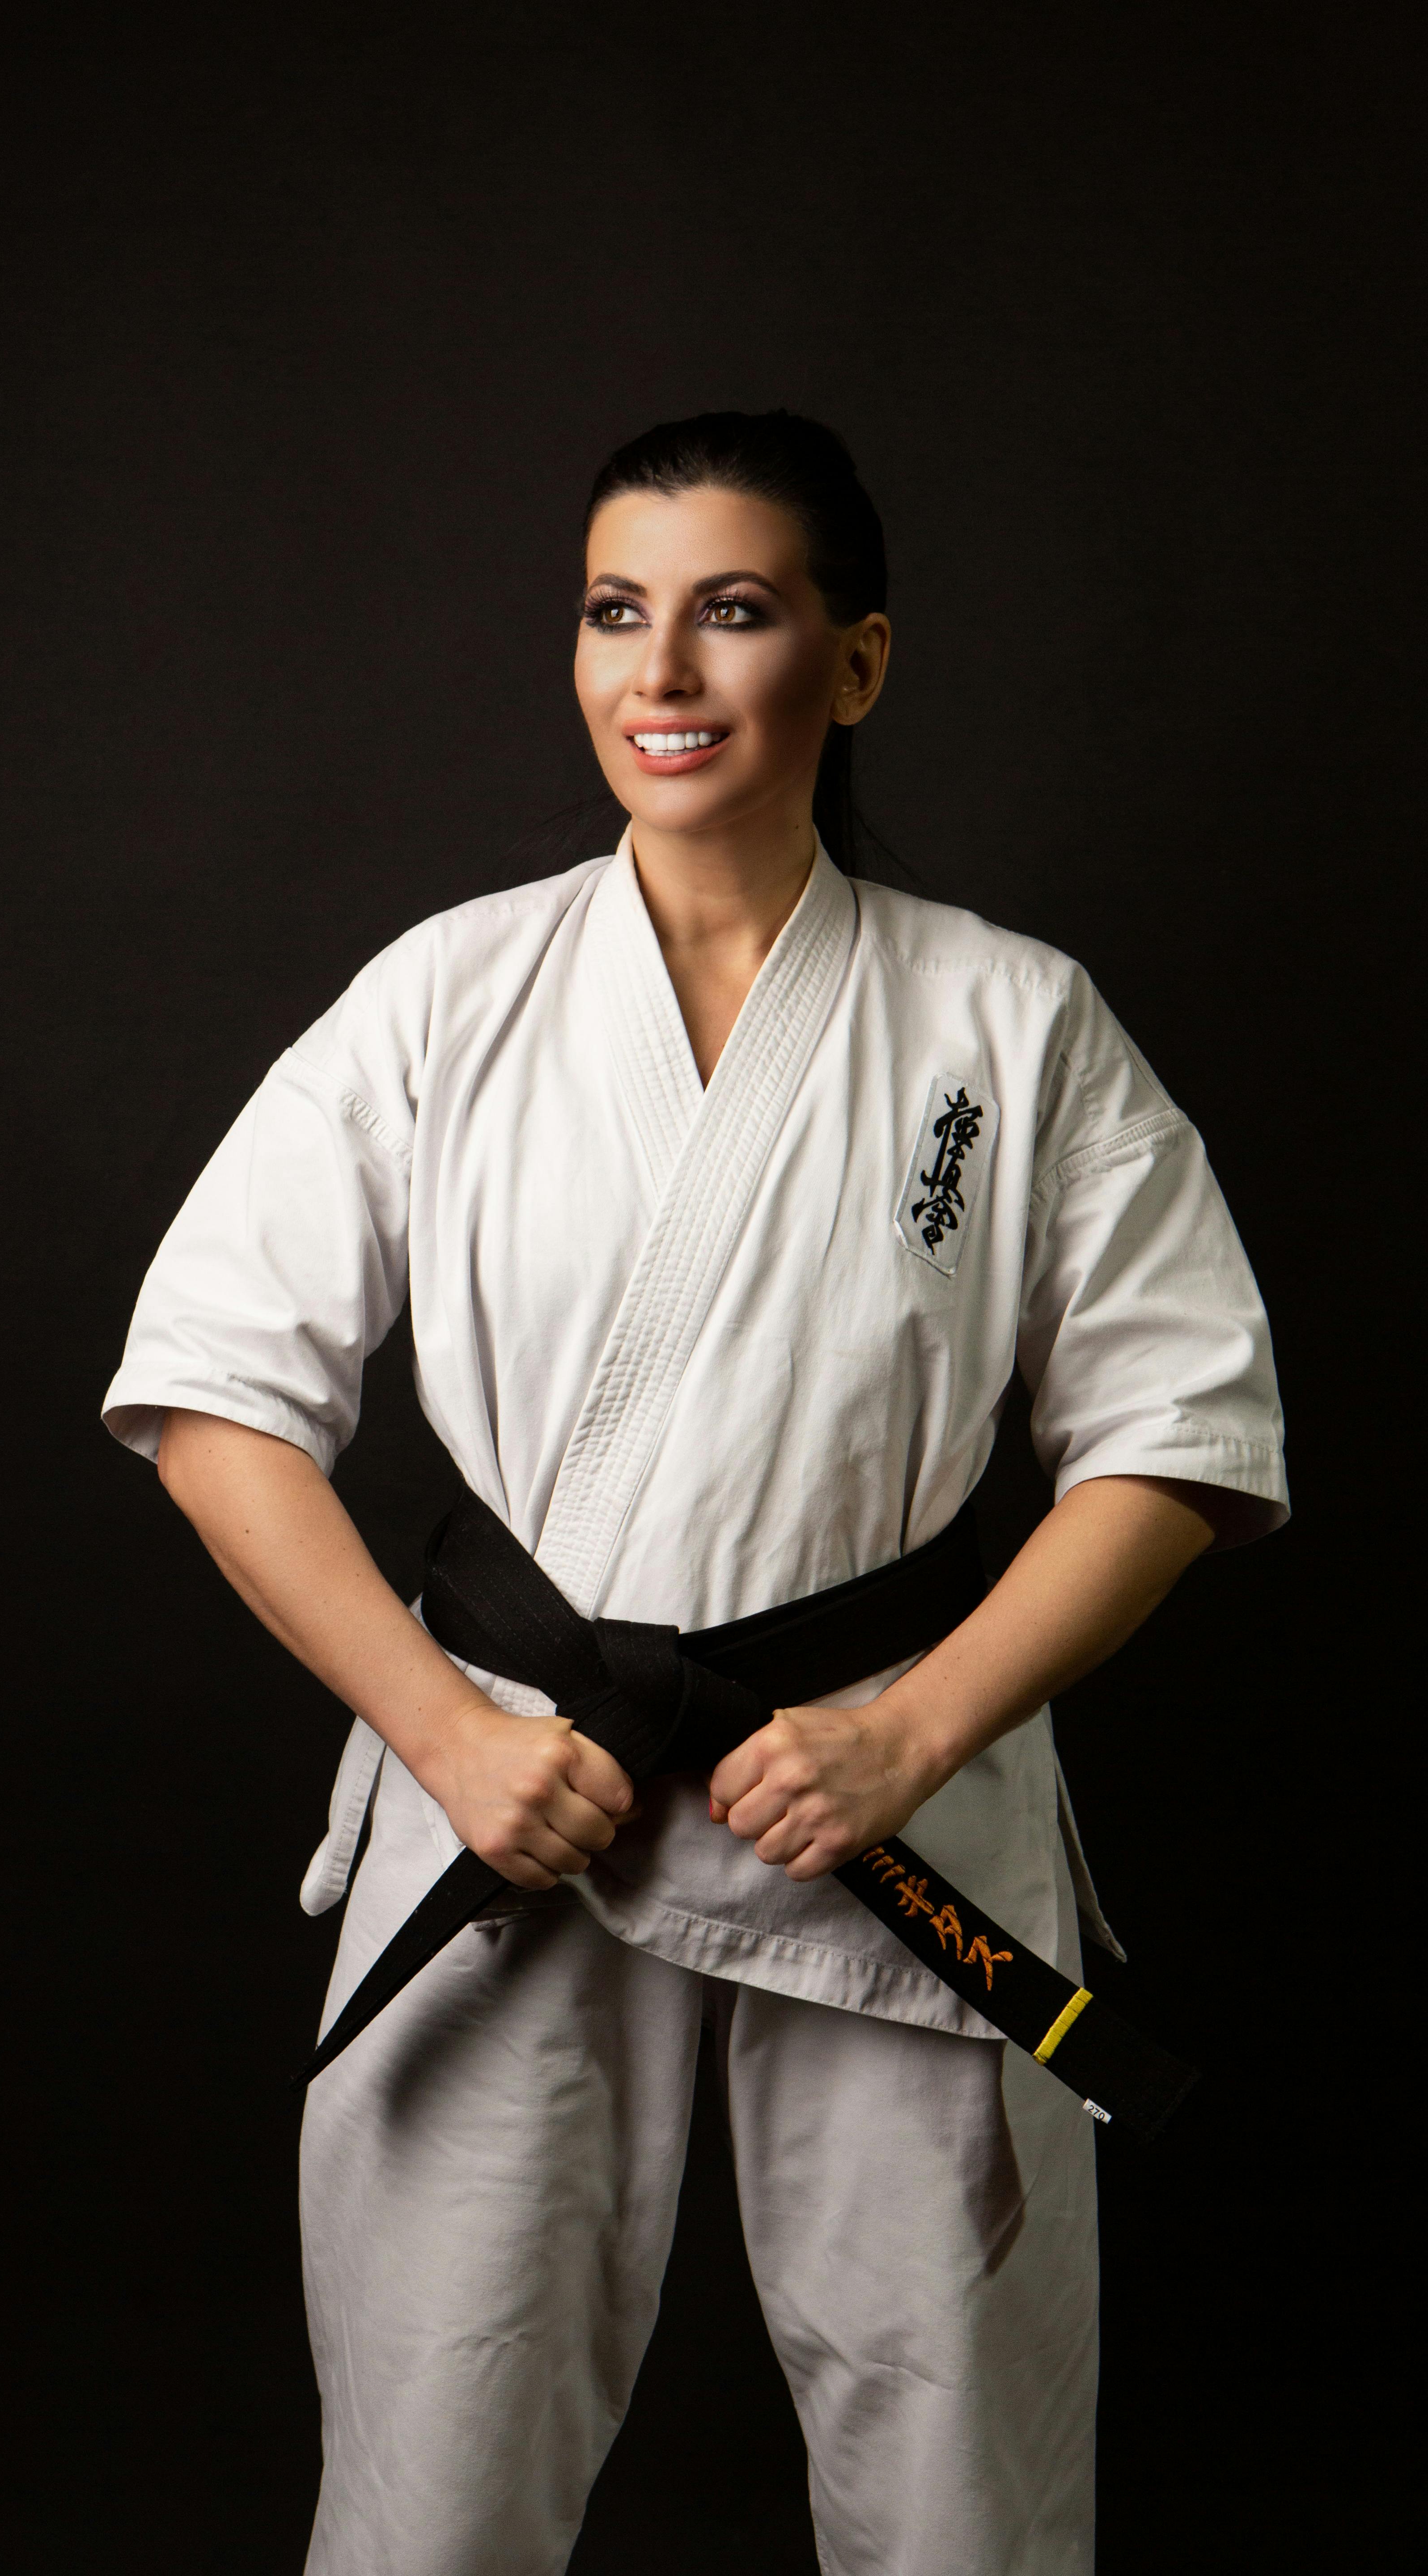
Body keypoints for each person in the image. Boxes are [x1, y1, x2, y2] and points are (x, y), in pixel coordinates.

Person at [102, 411, 1287, 2575]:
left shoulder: (1010, 1024)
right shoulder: (445, 1001)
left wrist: (910, 1731)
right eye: (616, 611)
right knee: (432, 2495)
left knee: (965, 2504)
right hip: (515, 1797)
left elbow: (1180, 1439)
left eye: (736, 610)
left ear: (854, 664)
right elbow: (208, 1403)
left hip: (898, 1810)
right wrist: (444, 1732)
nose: (666, 668)